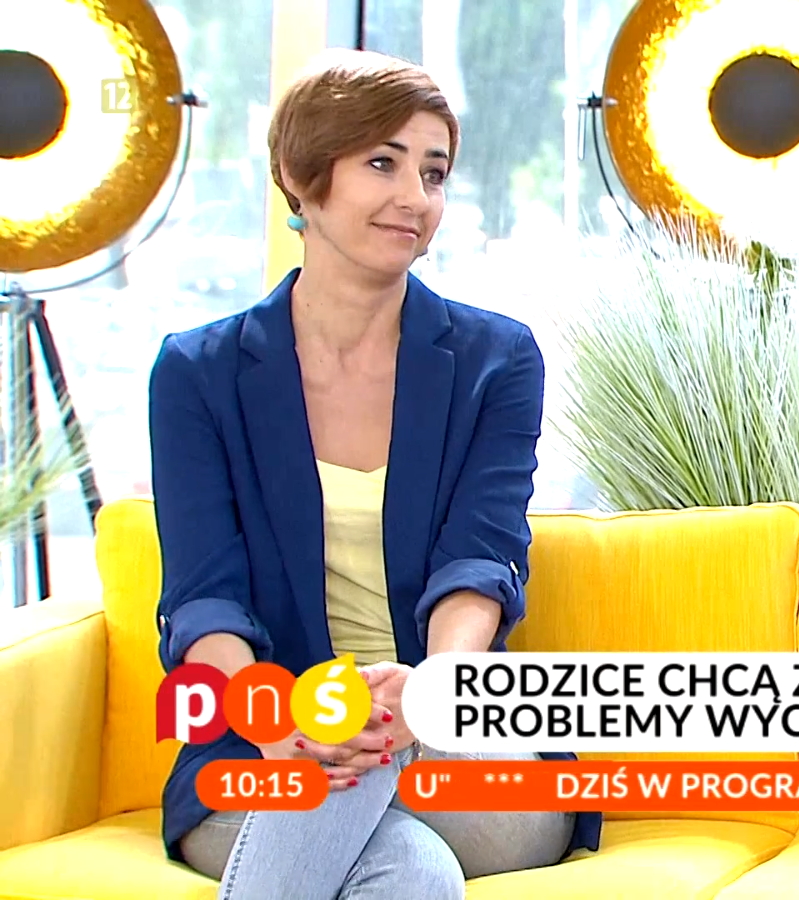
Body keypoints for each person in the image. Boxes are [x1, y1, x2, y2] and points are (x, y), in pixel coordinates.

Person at [149, 50, 602, 899]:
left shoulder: (497, 360)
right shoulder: (197, 374)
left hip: (460, 756)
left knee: (363, 761)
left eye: (433, 173)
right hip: (263, 749)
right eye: (383, 163)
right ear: (300, 176)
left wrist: (425, 696)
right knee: (408, 871)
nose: (416, 198)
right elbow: (204, 597)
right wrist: (280, 720)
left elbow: (482, 559)